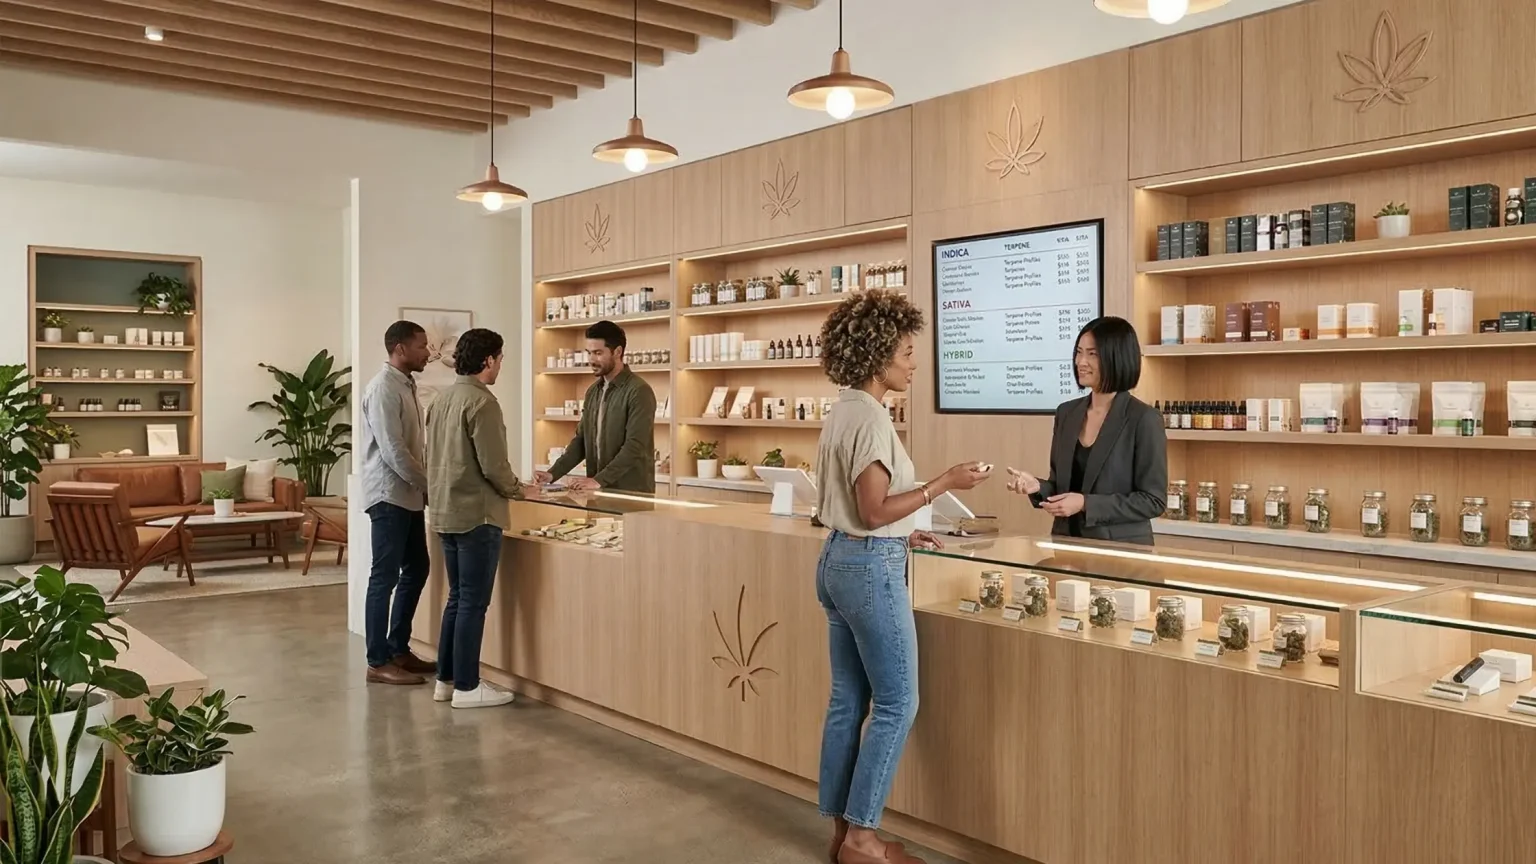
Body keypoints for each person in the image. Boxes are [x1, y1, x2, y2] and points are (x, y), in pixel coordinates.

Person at [813, 289, 991, 864]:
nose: (916, 362)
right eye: (909, 351)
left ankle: (842, 833)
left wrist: (903, 531)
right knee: (898, 704)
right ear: (878, 353)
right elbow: (872, 510)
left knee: (848, 701)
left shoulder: (844, 408)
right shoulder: (869, 417)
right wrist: (945, 482)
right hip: (868, 568)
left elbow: (851, 510)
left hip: (839, 560)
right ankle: (864, 840)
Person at [424, 328, 525, 709]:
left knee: (457, 598)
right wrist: (520, 489)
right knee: (472, 603)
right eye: (499, 358)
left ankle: (446, 680)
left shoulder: (443, 399)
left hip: (446, 512)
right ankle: (467, 686)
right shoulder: (483, 403)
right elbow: (495, 466)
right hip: (478, 516)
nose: (501, 366)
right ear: (488, 360)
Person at [1005, 315, 1167, 544]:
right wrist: (1037, 486)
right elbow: (1062, 488)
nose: (1081, 361)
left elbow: (1153, 501)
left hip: (1120, 554)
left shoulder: (1144, 419)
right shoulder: (1066, 413)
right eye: (1078, 352)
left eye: (1092, 354)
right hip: (1067, 545)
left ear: (1117, 357)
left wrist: (1084, 503)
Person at [358, 320, 436, 686]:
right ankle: (377, 661)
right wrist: (430, 485)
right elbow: (393, 451)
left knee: (417, 568)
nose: (428, 351)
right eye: (421, 345)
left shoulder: (407, 385)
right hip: (389, 495)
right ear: (400, 349)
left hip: (407, 496)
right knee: (383, 577)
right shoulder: (383, 388)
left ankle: (398, 648)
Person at [535, 320, 657, 493]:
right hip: (597, 493)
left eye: (598, 353)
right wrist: (553, 474)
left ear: (618, 352)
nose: (591, 360)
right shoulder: (593, 391)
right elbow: (581, 441)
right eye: (589, 353)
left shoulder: (638, 391)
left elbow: (635, 446)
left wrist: (599, 480)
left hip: (630, 494)